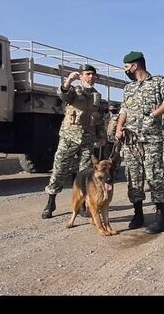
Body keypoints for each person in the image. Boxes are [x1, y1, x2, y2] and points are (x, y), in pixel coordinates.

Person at [115, 51, 164, 233]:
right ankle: (138, 214)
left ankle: (161, 218)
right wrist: (119, 127)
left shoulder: (158, 82)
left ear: (135, 66)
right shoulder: (129, 88)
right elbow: (124, 110)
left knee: (155, 175)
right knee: (134, 177)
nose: (125, 70)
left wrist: (153, 115)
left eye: (126, 66)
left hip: (152, 138)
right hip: (131, 140)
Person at [41, 64, 106, 219]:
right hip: (69, 137)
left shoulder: (96, 95)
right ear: (81, 76)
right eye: (88, 74)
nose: (91, 77)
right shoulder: (75, 91)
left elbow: (99, 118)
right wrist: (68, 81)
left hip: (88, 139)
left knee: (85, 173)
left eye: (93, 75)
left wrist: (101, 135)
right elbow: (62, 95)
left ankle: (83, 204)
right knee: (60, 168)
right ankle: (51, 202)